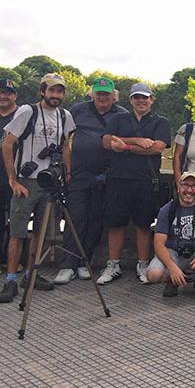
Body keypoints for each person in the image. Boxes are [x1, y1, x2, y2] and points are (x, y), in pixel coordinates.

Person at [0, 73, 76, 303]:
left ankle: (30, 275)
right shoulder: (27, 111)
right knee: (17, 233)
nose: (55, 95)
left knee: (40, 234)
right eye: (51, 90)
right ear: (42, 91)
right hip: (26, 181)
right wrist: (13, 180)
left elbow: (65, 146)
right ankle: (11, 279)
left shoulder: (65, 115)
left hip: (50, 182)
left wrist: (67, 173)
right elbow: (8, 145)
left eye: (59, 91)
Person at [53, 77, 128, 284]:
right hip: (78, 173)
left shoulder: (122, 114)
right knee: (75, 217)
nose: (103, 97)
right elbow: (64, 139)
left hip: (107, 175)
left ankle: (83, 262)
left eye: (106, 94)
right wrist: (66, 168)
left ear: (114, 96)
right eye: (99, 93)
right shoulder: (78, 110)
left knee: (96, 220)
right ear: (92, 94)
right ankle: (67, 265)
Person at [97, 83, 172, 285]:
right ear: (131, 100)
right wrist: (138, 141)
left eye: (145, 97)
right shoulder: (118, 118)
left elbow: (157, 148)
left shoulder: (161, 122)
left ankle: (143, 264)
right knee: (116, 224)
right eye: (137, 97)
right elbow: (107, 142)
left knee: (143, 224)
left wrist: (125, 147)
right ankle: (113, 265)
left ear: (151, 100)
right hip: (117, 179)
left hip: (146, 180)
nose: (141, 101)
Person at [146, 171, 195, 301]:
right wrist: (172, 267)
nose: (189, 190)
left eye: (194, 186)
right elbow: (158, 244)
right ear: (178, 187)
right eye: (185, 185)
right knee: (153, 275)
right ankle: (173, 280)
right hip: (173, 252)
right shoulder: (167, 210)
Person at [0, 78, 18, 278]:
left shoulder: (24, 116)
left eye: (7, 92)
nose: (3, 96)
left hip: (18, 179)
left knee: (17, 221)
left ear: (14, 95)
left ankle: (13, 260)